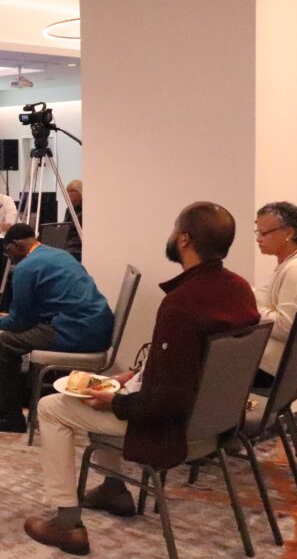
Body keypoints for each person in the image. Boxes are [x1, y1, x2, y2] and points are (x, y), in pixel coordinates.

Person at [23, 202, 259, 555]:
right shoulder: (238, 288)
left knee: (54, 406)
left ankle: (67, 522)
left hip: (173, 430)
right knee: (98, 391)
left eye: (172, 228)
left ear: (184, 239)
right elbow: (193, 364)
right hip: (216, 424)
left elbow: (168, 399)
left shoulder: (181, 304)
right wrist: (135, 375)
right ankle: (113, 489)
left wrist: (115, 400)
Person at [0, 223, 113, 433]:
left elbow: (20, 322)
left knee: (6, 342)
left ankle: (10, 417)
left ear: (16, 245)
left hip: (76, 332)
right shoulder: (59, 254)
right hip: (100, 328)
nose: (9, 259)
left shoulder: (25, 267)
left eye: (8, 253)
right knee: (26, 334)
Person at [253, 201, 297, 388]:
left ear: (289, 233)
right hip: (271, 366)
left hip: (273, 371)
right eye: (257, 232)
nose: (259, 239)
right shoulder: (287, 265)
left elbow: (287, 327)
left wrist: (248, 306)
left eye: (264, 233)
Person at [63, 180, 83, 261]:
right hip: (68, 243)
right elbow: (65, 227)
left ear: (79, 193)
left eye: (71, 194)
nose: (68, 198)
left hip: (78, 245)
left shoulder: (87, 210)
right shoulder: (69, 210)